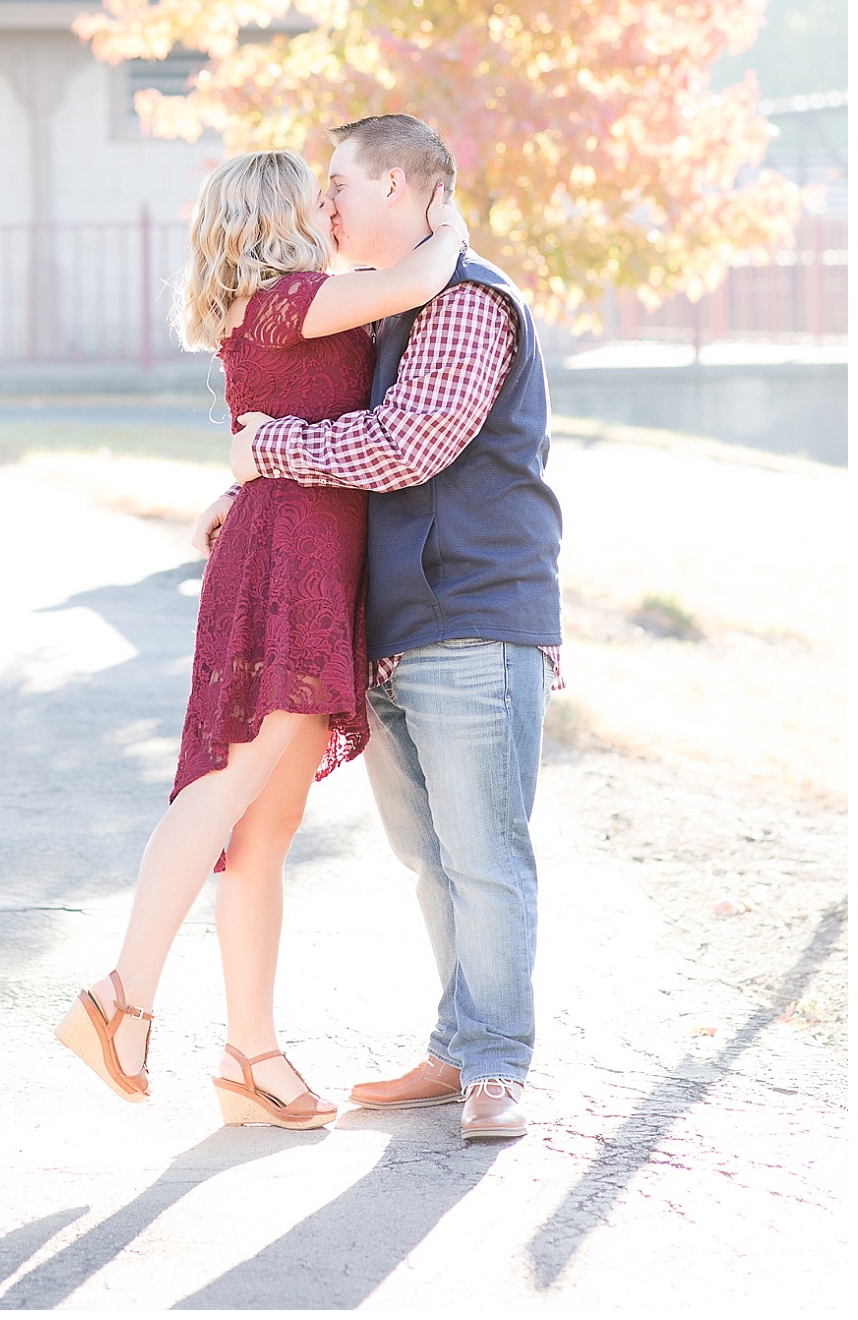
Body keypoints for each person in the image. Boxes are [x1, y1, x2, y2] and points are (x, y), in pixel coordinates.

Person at [56, 148, 467, 1130]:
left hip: (299, 554)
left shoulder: (280, 308)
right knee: (223, 788)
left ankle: (253, 1055)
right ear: (276, 216)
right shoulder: (292, 298)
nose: (331, 206)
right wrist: (447, 214)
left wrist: (233, 490)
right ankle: (123, 997)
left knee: (264, 830)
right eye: (314, 196)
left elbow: (288, 421)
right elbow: (419, 275)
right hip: (288, 566)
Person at [216, 113, 563, 1145]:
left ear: (404, 187)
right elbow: (327, 448)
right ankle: (459, 1046)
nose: (327, 204)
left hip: (474, 615)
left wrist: (270, 448)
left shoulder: (464, 299)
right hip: (397, 626)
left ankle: (498, 1063)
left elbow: (407, 445)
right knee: (430, 855)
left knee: (485, 851)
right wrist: (237, 493)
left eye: (342, 184)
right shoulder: (382, 314)